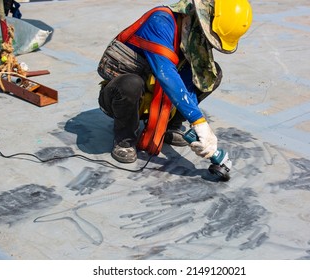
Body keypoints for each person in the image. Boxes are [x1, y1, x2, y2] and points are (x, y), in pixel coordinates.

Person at [98, 0, 252, 163]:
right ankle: (124, 139)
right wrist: (198, 121)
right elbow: (165, 74)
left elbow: (189, 81)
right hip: (123, 98)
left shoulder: (193, 36)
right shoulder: (160, 22)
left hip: (158, 99)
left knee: (210, 74)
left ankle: (170, 126)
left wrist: (196, 123)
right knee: (131, 84)